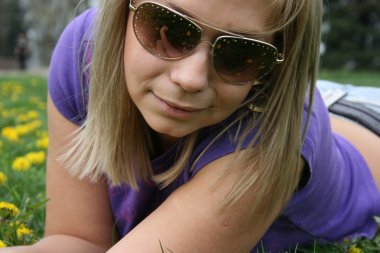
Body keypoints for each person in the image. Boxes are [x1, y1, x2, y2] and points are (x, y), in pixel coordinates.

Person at [2, 0, 380, 252]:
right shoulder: (86, 52)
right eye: (168, 28)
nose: (191, 78)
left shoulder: (269, 143)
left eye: (241, 52)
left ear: (276, 67)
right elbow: (77, 239)